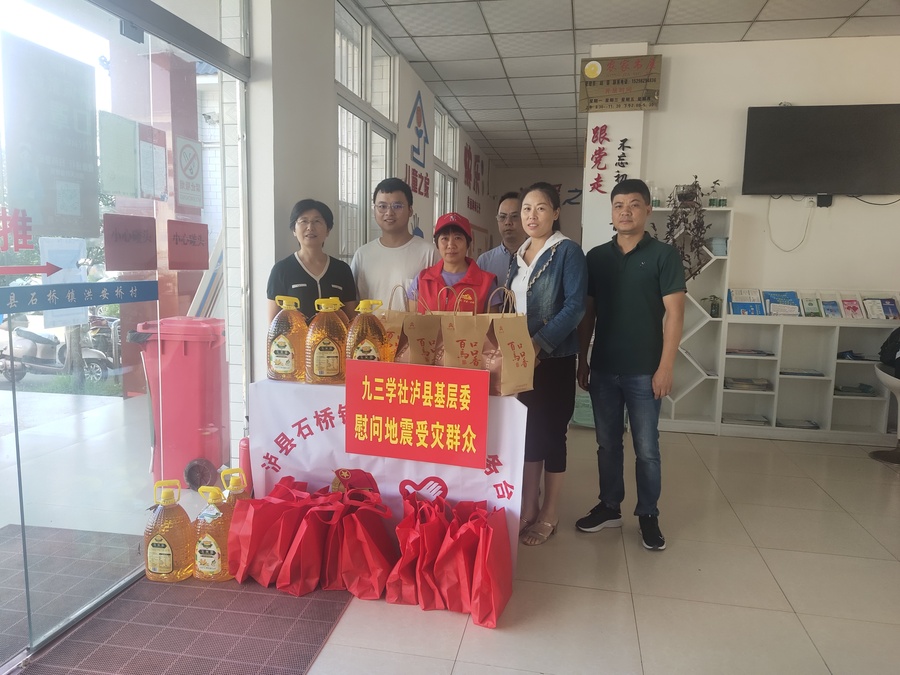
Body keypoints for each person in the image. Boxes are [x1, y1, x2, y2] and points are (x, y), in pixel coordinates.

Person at [575, 178, 686, 551]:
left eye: (634, 204)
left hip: (645, 370)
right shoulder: (596, 257)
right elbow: (588, 314)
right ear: (611, 211)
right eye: (619, 205)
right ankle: (610, 506)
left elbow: (675, 315)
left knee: (647, 448)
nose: (625, 211)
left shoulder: (663, 256)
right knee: (607, 444)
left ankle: (648, 514)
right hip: (604, 367)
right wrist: (583, 360)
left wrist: (666, 366)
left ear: (648, 210)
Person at [508, 182, 587, 546]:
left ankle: (550, 513)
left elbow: (575, 307)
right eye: (526, 208)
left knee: (552, 434)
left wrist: (538, 346)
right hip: (521, 360)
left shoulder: (567, 251)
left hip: (552, 359)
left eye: (540, 208)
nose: (531, 215)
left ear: (555, 213)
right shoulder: (518, 254)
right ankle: (529, 506)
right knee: (527, 433)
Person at [266, 199, 357, 322]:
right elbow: (273, 324)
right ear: (294, 230)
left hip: (336, 335)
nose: (310, 227)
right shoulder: (281, 270)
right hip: (296, 335)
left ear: (328, 230)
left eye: (317, 221)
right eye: (303, 221)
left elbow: (351, 320)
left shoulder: (342, 270)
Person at [350, 177, 436, 308]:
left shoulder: (429, 253)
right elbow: (353, 303)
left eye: (397, 206)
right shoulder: (362, 255)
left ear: (410, 210)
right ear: (374, 210)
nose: (389, 213)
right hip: (370, 322)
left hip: (414, 322)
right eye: (382, 206)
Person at [407, 212, 499, 313]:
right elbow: (413, 321)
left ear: (468, 244)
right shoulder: (422, 280)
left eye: (458, 238)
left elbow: (492, 322)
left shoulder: (487, 283)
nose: (451, 245)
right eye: (445, 238)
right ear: (437, 244)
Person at [476, 191, 526, 287]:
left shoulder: (538, 258)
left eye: (514, 216)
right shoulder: (484, 262)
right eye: (502, 217)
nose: (508, 222)